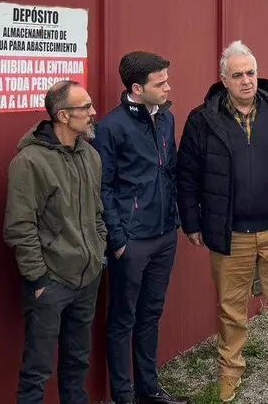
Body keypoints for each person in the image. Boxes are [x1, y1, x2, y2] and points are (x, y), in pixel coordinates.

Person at [178, 41, 268, 403]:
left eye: (251, 73)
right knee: (231, 308)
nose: (246, 81)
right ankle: (229, 372)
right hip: (231, 233)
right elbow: (187, 174)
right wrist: (192, 222)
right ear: (223, 79)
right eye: (238, 75)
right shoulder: (203, 119)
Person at [4, 80, 108, 404]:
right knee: (37, 370)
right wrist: (38, 280)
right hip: (51, 285)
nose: (93, 113)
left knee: (77, 363)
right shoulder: (29, 162)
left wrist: (99, 251)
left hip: (87, 278)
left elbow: (97, 212)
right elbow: (20, 227)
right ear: (63, 115)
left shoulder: (90, 155)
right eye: (85, 107)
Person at [95, 51, 187, 404]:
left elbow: (171, 171)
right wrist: (118, 240)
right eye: (159, 83)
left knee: (151, 313)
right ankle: (123, 395)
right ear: (137, 87)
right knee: (123, 318)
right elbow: (103, 187)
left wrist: (176, 220)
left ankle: (149, 388)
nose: (167, 87)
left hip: (164, 234)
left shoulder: (167, 119)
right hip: (131, 241)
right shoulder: (110, 127)